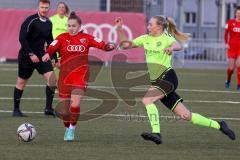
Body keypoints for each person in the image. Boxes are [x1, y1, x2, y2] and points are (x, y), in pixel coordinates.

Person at [115, 16, 236, 144]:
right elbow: (126, 45)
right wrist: (119, 28)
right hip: (157, 82)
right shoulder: (145, 38)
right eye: (148, 25)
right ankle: (219, 125)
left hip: (168, 77)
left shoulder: (166, 38)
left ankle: (156, 133)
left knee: (147, 99)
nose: (148, 27)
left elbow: (177, 45)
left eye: (151, 24)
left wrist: (171, 48)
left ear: (159, 26)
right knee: (186, 115)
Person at [42, 12, 116, 141]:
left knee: (74, 105)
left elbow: (102, 45)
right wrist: (48, 54)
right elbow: (52, 47)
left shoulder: (86, 38)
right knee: (64, 112)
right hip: (65, 77)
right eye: (69, 25)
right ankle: (67, 127)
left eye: (74, 26)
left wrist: (109, 46)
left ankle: (72, 129)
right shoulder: (61, 38)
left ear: (80, 26)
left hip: (80, 76)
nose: (71, 28)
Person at [13, 0, 56, 117]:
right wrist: (31, 54)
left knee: (52, 80)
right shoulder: (30, 20)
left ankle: (48, 109)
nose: (44, 10)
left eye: (46, 7)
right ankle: (16, 110)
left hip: (41, 56)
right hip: (26, 56)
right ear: (38, 7)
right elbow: (22, 39)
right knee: (21, 83)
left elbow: (50, 41)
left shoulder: (48, 23)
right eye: (42, 7)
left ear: (49, 8)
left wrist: (52, 55)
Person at [224, 6, 240, 90]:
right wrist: (226, 43)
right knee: (231, 68)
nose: (239, 15)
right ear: (235, 13)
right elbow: (226, 34)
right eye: (238, 13)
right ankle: (228, 80)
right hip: (232, 47)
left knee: (239, 65)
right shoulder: (230, 22)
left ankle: (239, 84)